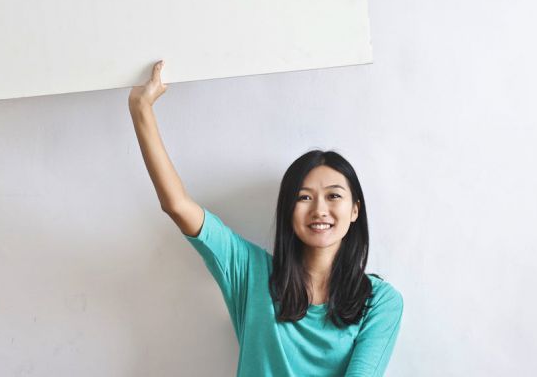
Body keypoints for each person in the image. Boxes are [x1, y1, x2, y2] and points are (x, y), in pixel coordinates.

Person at [129, 60, 403, 376]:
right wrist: (141, 108)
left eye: (333, 196)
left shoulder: (380, 301)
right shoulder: (251, 272)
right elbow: (177, 205)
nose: (319, 210)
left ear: (355, 209)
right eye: (304, 197)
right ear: (289, 209)